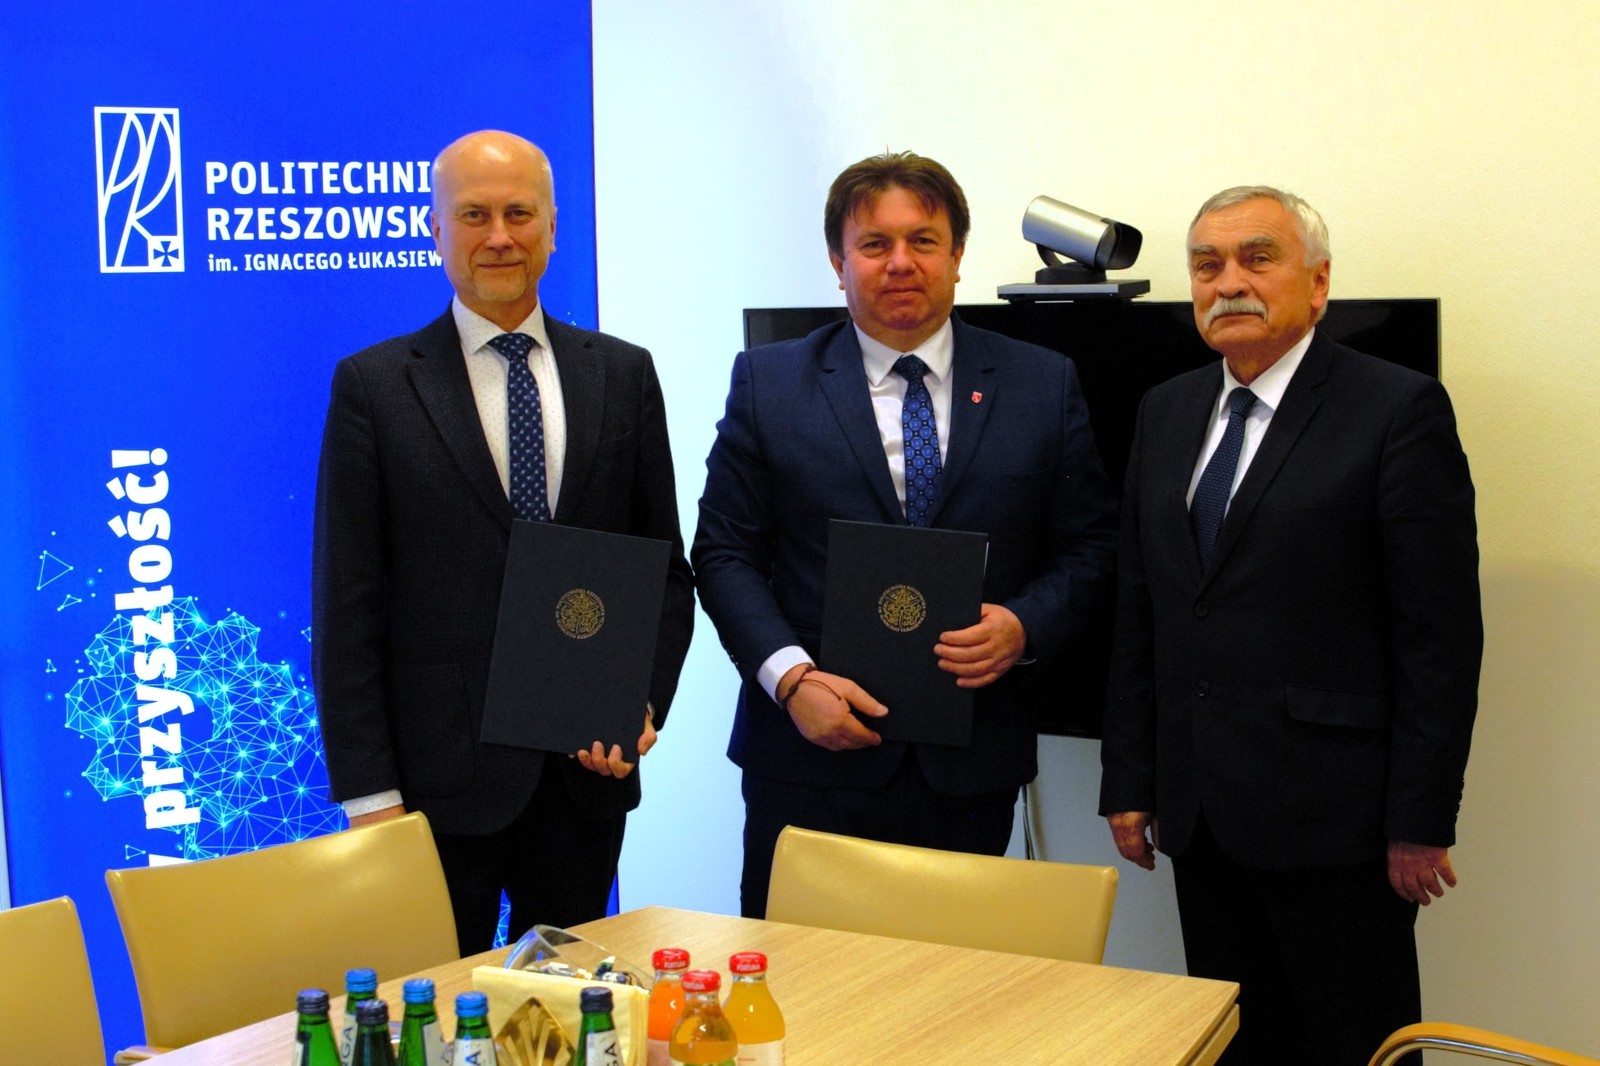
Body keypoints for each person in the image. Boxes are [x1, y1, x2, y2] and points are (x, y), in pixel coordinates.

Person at [1098, 186, 1482, 1064]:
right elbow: (1141, 609)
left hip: (1339, 821)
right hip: (1200, 812)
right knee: (1237, 1044)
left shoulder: (1397, 408)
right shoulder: (1165, 410)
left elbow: (1440, 637)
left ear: (1317, 283)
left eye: (1257, 258)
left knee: (1357, 1046)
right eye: (1207, 265)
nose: (1228, 282)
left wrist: (1421, 818)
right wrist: (1130, 776)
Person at [693, 150, 1118, 917]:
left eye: (923, 241)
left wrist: (1024, 626)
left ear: (957, 256)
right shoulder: (768, 382)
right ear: (838, 262)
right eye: (874, 244)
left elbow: (1091, 547)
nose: (900, 262)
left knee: (954, 983)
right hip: (808, 756)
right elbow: (724, 553)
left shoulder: (1042, 383)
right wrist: (791, 679)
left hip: (971, 760)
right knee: (799, 978)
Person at [312, 130, 694, 954]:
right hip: (432, 789)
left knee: (564, 1007)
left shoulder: (623, 374)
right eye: (473, 215)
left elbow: (665, 572)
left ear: (552, 228)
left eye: (519, 213)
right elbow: (347, 603)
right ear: (435, 230)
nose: (499, 236)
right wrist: (369, 795)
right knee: (431, 1007)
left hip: (584, 775)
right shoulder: (374, 386)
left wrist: (637, 704)